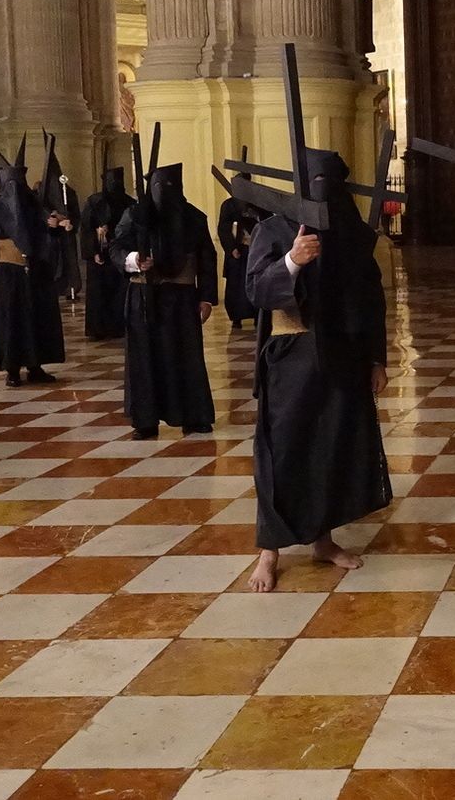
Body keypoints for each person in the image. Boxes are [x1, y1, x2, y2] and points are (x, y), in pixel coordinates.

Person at [243, 148, 392, 593]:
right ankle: (269, 550)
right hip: (293, 357)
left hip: (344, 359)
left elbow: (371, 301)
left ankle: (323, 540)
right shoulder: (274, 229)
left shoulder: (352, 234)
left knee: (333, 446)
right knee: (284, 449)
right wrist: (292, 261)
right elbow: (256, 289)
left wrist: (377, 359)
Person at [109, 160, 217, 439]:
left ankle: (194, 416)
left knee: (187, 358)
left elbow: (207, 259)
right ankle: (145, 420)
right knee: (144, 358)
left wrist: (206, 298)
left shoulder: (194, 218)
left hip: (181, 298)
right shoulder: (134, 215)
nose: (163, 193)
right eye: (158, 187)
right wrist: (134, 260)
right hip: (143, 296)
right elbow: (116, 248)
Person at [0, 136, 65, 387]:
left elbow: (48, 236)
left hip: (35, 272)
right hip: (7, 273)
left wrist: (53, 228)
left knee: (36, 320)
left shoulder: (36, 207)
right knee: (10, 322)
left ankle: (35, 365)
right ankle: (12, 369)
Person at [79, 164, 134, 340]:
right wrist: (95, 245)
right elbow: (86, 228)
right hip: (100, 254)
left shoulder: (129, 203)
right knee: (99, 293)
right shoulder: (94, 202)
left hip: (120, 254)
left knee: (120, 292)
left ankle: (120, 326)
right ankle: (98, 329)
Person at [37, 134, 83, 302]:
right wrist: (51, 220)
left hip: (65, 236)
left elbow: (76, 215)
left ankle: (70, 286)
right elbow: (39, 212)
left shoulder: (68, 193)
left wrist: (70, 223)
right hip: (49, 238)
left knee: (68, 262)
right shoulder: (40, 193)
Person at [216, 192, 262, 328]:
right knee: (235, 285)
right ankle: (236, 317)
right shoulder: (229, 205)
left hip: (254, 249)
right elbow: (223, 228)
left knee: (255, 282)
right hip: (238, 251)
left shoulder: (256, 202)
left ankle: (256, 315)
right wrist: (231, 248)